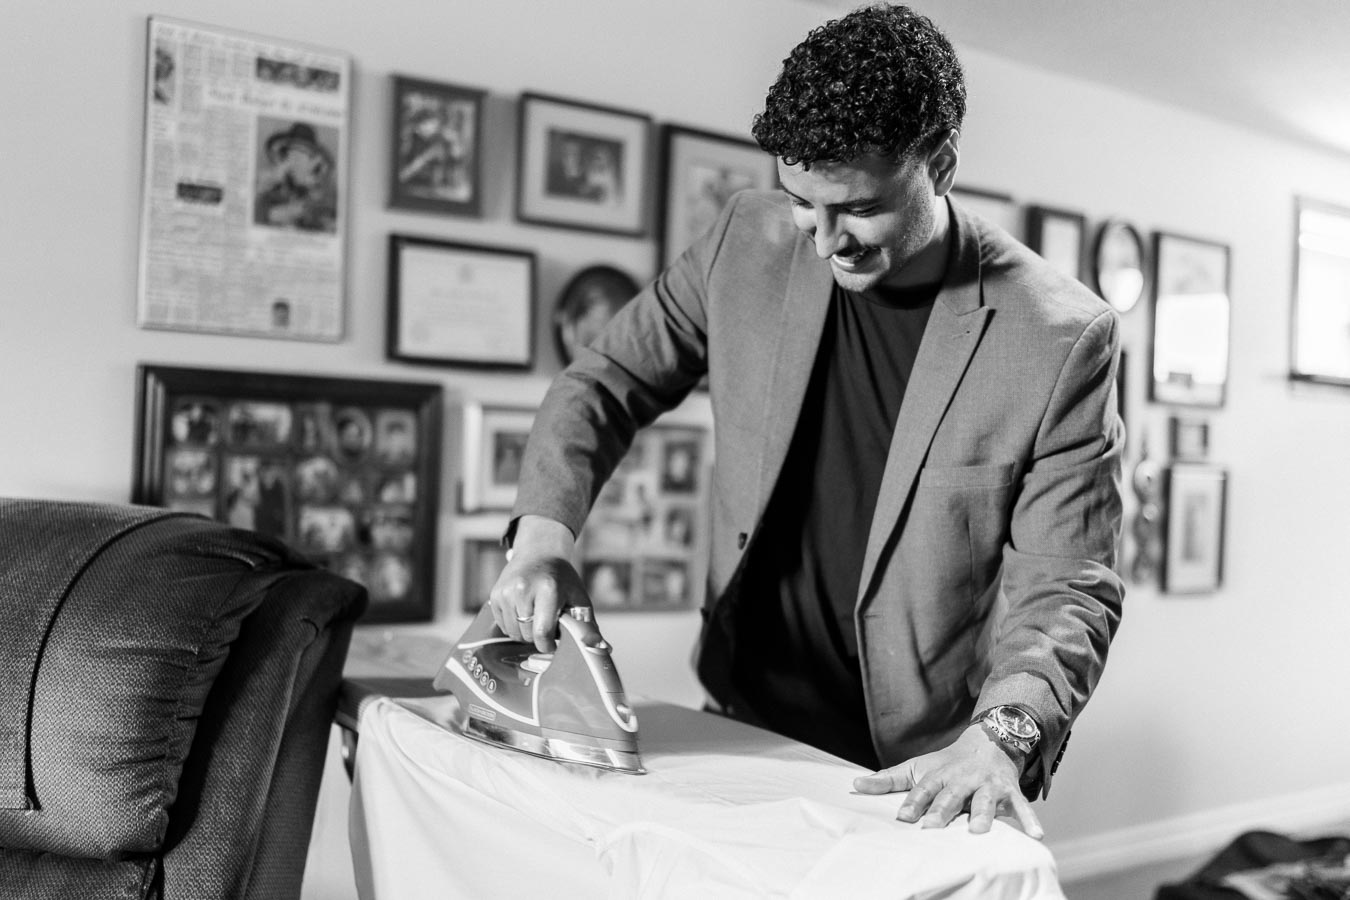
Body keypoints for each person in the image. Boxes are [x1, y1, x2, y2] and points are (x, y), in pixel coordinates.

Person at [490, 4, 1123, 842]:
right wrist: (542, 541)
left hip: (916, 764)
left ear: (940, 164)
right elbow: (606, 381)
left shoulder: (1058, 338)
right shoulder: (743, 241)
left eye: (858, 208)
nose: (825, 242)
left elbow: (1068, 583)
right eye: (801, 203)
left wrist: (1003, 735)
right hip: (740, 713)